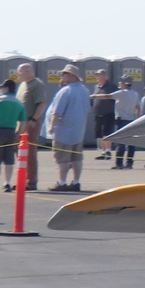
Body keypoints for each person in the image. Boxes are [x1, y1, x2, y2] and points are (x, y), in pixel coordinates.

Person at [42, 64, 90, 192]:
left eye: (64, 73)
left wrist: (52, 126)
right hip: (78, 131)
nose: (62, 76)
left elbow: (57, 111)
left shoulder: (65, 91)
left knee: (62, 158)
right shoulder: (84, 90)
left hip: (64, 132)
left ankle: (62, 182)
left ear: (71, 76)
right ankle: (76, 182)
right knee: (77, 158)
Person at [10, 63, 46, 192]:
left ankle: (31, 181)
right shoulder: (22, 85)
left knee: (29, 151)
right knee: (18, 150)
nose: (18, 75)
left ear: (28, 72)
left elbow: (42, 103)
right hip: (20, 122)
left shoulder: (36, 85)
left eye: (20, 72)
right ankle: (22, 179)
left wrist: (34, 119)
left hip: (30, 121)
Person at [111, 77, 140, 168]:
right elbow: (138, 107)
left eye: (121, 82)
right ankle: (129, 163)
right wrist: (138, 118)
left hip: (121, 120)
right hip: (131, 120)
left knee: (120, 143)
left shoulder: (121, 93)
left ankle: (119, 163)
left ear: (124, 84)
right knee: (131, 143)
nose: (119, 83)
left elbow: (107, 96)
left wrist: (93, 96)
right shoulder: (135, 94)